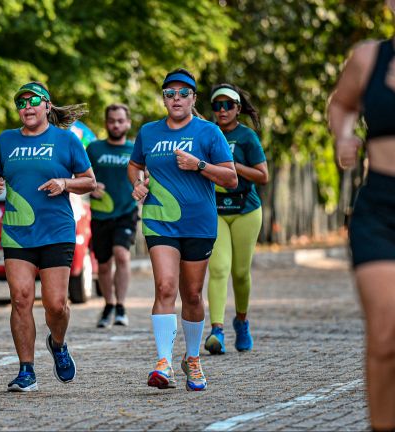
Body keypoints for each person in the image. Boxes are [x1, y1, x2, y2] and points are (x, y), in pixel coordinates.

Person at [128, 68, 237, 391]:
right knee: (165, 287)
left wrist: (199, 165)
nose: (176, 99)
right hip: (159, 220)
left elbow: (231, 179)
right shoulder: (148, 132)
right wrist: (137, 183)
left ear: (193, 98)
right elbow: (135, 165)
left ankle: (191, 358)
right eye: (169, 93)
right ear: (163, 98)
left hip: (199, 223)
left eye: (183, 93)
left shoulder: (209, 133)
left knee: (191, 294)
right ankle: (163, 362)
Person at [0, 81, 96, 392]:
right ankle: (26, 370)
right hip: (17, 232)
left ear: (47, 106)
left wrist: (65, 183)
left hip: (56, 230)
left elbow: (89, 181)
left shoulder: (66, 140)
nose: (27, 108)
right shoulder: (6, 140)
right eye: (21, 103)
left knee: (56, 305)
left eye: (34, 101)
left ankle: (58, 344)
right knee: (21, 299)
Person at [327, 3, 395, 428]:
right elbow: (341, 105)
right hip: (381, 211)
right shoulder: (370, 57)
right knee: (387, 335)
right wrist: (344, 135)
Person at [204, 84, 268, 355]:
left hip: (246, 210)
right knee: (218, 269)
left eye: (228, 105)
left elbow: (262, 175)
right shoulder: (207, 133)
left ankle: (241, 321)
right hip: (215, 210)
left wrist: (231, 164)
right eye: (217, 106)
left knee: (240, 273)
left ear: (238, 109)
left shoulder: (247, 137)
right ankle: (216, 330)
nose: (222, 110)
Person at [86, 104, 138, 328]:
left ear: (127, 123)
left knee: (122, 255)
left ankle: (122, 307)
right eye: (112, 121)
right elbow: (81, 176)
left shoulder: (135, 150)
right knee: (104, 264)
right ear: (106, 123)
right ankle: (108, 305)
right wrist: (91, 187)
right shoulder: (94, 149)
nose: (116, 124)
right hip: (101, 214)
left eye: (120, 120)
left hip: (127, 211)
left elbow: (145, 176)